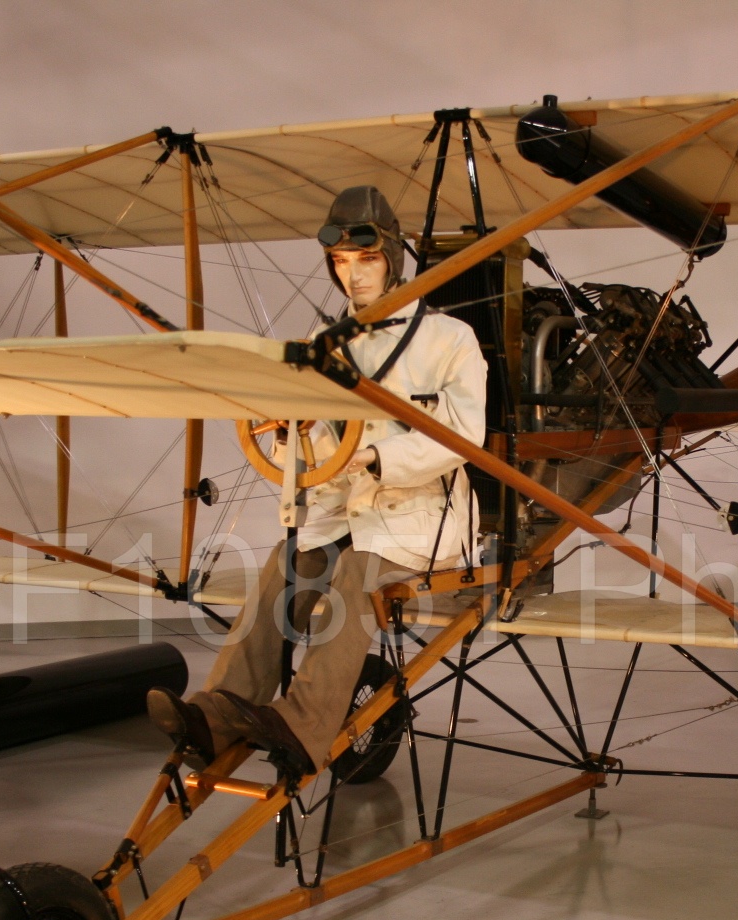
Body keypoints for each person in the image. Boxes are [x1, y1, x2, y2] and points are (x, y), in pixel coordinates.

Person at [148, 186, 487, 779]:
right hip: (345, 510)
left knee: (356, 575)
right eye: (340, 263)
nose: (353, 276)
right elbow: (312, 449)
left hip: (420, 520)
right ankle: (215, 716)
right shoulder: (324, 347)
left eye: (366, 260)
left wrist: (373, 458)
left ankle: (302, 726)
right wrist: (287, 434)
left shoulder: (449, 339)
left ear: (394, 257)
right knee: (289, 561)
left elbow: (462, 438)